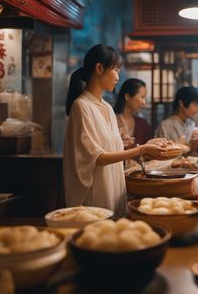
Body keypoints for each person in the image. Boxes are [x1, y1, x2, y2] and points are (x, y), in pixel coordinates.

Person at [64, 44, 168, 216]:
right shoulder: (81, 106)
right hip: (96, 196)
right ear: (99, 68)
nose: (118, 76)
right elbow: (97, 157)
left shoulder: (107, 107)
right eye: (116, 70)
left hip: (114, 191)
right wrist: (141, 150)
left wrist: (141, 145)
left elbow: (112, 151)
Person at [155, 86, 198, 153]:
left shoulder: (191, 123)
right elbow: (163, 154)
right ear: (181, 103)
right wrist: (190, 146)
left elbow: (194, 151)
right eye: (195, 105)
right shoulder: (165, 126)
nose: (197, 110)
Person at [114, 78, 151, 148]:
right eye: (142, 97)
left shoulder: (143, 124)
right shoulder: (112, 121)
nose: (144, 102)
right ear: (127, 96)